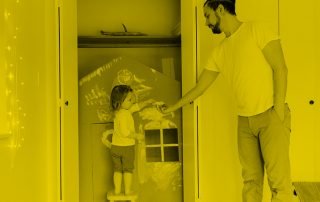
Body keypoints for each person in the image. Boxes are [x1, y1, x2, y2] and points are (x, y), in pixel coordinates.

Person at [162, 0, 293, 201]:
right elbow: (200, 87)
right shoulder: (220, 51)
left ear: (220, 9)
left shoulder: (256, 29)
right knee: (250, 182)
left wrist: (278, 111)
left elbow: (280, 68)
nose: (205, 22)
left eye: (207, 15)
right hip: (244, 123)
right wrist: (172, 106)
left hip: (270, 115)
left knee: (279, 185)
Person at [110, 85, 154, 195]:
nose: (132, 101)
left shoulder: (120, 112)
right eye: (130, 99)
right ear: (120, 101)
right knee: (128, 169)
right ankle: (127, 190)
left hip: (115, 146)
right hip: (126, 147)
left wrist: (147, 102)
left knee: (117, 169)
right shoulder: (124, 115)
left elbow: (136, 107)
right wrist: (137, 136)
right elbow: (125, 132)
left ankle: (117, 190)